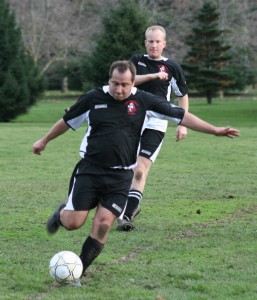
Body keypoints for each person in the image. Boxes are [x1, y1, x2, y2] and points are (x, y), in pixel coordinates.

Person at [32, 60, 239, 284]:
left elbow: (180, 115)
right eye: (115, 84)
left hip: (121, 176)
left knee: (102, 225)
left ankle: (78, 271)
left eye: (124, 85)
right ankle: (62, 213)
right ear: (109, 80)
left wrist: (214, 130)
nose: (119, 89)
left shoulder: (143, 100)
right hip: (90, 171)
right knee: (73, 223)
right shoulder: (93, 98)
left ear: (133, 83)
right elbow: (66, 121)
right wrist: (44, 141)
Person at [117, 25, 189, 231]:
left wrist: (182, 124)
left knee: (140, 170)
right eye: (150, 41)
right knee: (126, 167)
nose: (154, 45)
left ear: (164, 44)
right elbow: (127, 81)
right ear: (145, 43)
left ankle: (127, 215)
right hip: (130, 120)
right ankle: (122, 205)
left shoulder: (173, 67)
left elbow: (182, 96)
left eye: (158, 41)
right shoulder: (136, 61)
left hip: (156, 124)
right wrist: (153, 76)